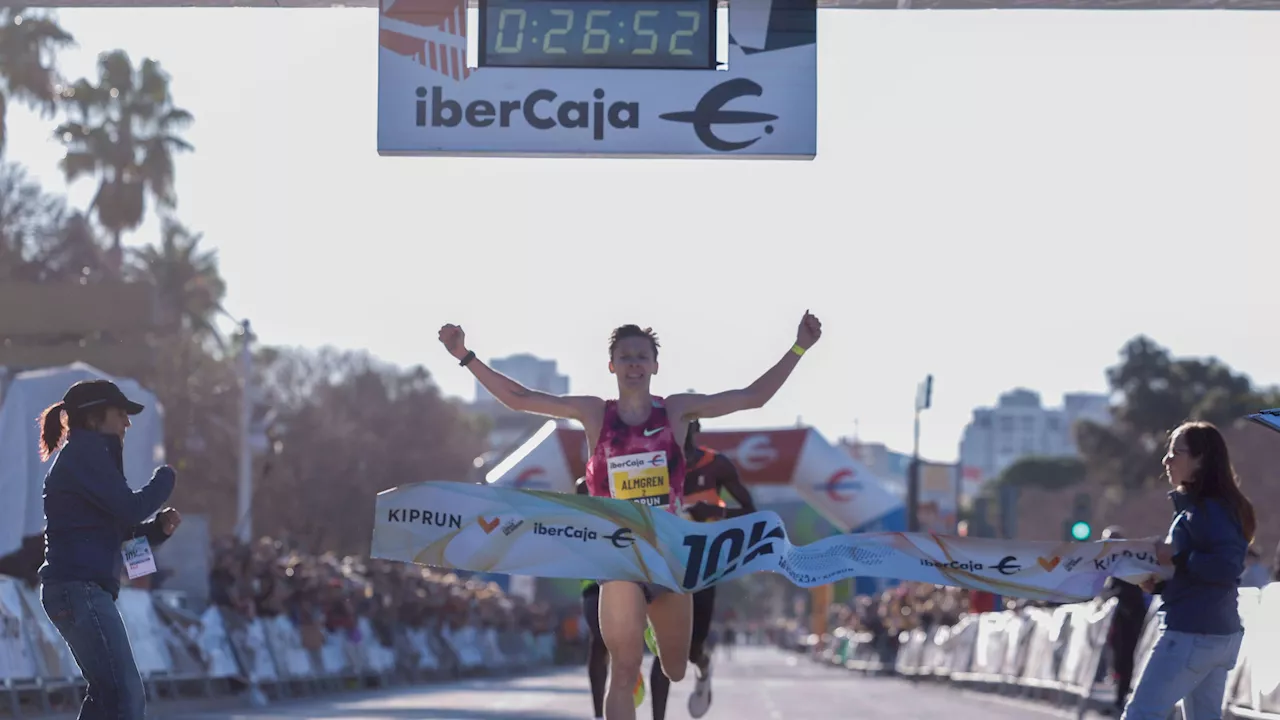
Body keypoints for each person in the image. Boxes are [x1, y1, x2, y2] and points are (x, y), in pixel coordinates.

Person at [440, 312, 822, 720]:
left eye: (642, 356)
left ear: (656, 365)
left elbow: (752, 397)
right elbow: (519, 397)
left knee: (675, 668)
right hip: (618, 555)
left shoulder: (676, 412)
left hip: (668, 556)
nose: (635, 364)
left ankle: (656, 638)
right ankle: (632, 655)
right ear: (612, 366)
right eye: (626, 357)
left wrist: (798, 347)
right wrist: (464, 355)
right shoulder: (594, 414)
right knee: (622, 671)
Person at [37, 379, 182, 720]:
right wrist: (165, 479)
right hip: (79, 590)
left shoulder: (94, 459)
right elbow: (131, 510)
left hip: (79, 590)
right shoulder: (85, 455)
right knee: (126, 696)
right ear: (93, 418)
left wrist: (158, 531)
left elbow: (124, 533)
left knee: (108, 695)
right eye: (121, 414)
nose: (127, 423)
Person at [1122, 421, 1256, 720]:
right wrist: (1161, 584)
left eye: (1175, 452)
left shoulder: (1206, 510)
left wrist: (1179, 557)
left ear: (1201, 459)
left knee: (1141, 715)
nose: (1166, 460)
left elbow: (1226, 566)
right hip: (1216, 633)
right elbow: (1207, 570)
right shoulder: (1210, 508)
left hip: (1191, 633)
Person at [651, 418, 756, 720]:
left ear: (696, 428)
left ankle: (704, 664)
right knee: (664, 644)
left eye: (686, 426)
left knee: (691, 647)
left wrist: (715, 511)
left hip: (704, 566)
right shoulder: (653, 464)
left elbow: (751, 511)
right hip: (665, 565)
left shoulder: (716, 465)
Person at [1098, 526, 1147, 717]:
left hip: (1131, 618)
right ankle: (1117, 698)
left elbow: (1130, 589)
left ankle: (1122, 699)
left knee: (1126, 659)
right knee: (1116, 660)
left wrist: (1111, 595)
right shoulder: (1110, 562)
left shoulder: (1128, 561)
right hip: (1118, 618)